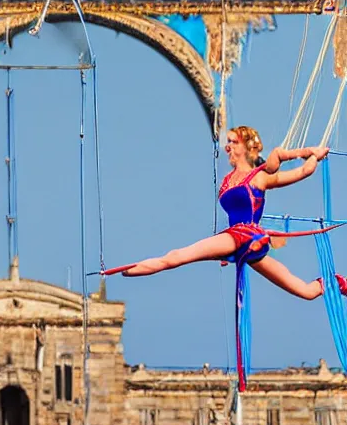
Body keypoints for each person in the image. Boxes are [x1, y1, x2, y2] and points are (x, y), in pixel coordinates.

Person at [104, 125, 346, 300]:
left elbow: (298, 169)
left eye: (233, 141)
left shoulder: (260, 176)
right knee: (306, 291)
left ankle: (125, 270)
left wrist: (313, 154)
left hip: (246, 237)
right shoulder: (227, 180)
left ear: (247, 146)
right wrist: (222, 251)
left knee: (176, 257)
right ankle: (335, 282)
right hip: (239, 242)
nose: (227, 146)